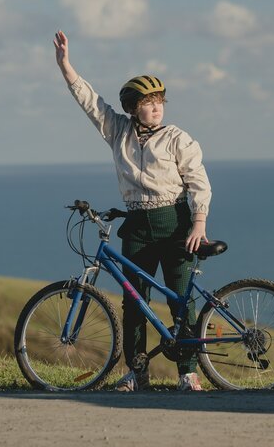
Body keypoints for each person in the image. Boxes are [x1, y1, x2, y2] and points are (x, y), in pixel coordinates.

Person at [53, 30, 211, 392]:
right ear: (132, 107)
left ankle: (188, 373)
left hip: (174, 223)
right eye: (149, 102)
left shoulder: (177, 138)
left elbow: (198, 180)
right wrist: (65, 66)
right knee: (133, 303)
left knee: (179, 300)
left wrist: (199, 221)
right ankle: (137, 372)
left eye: (160, 101)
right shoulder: (118, 131)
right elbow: (90, 102)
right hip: (137, 225)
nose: (157, 107)